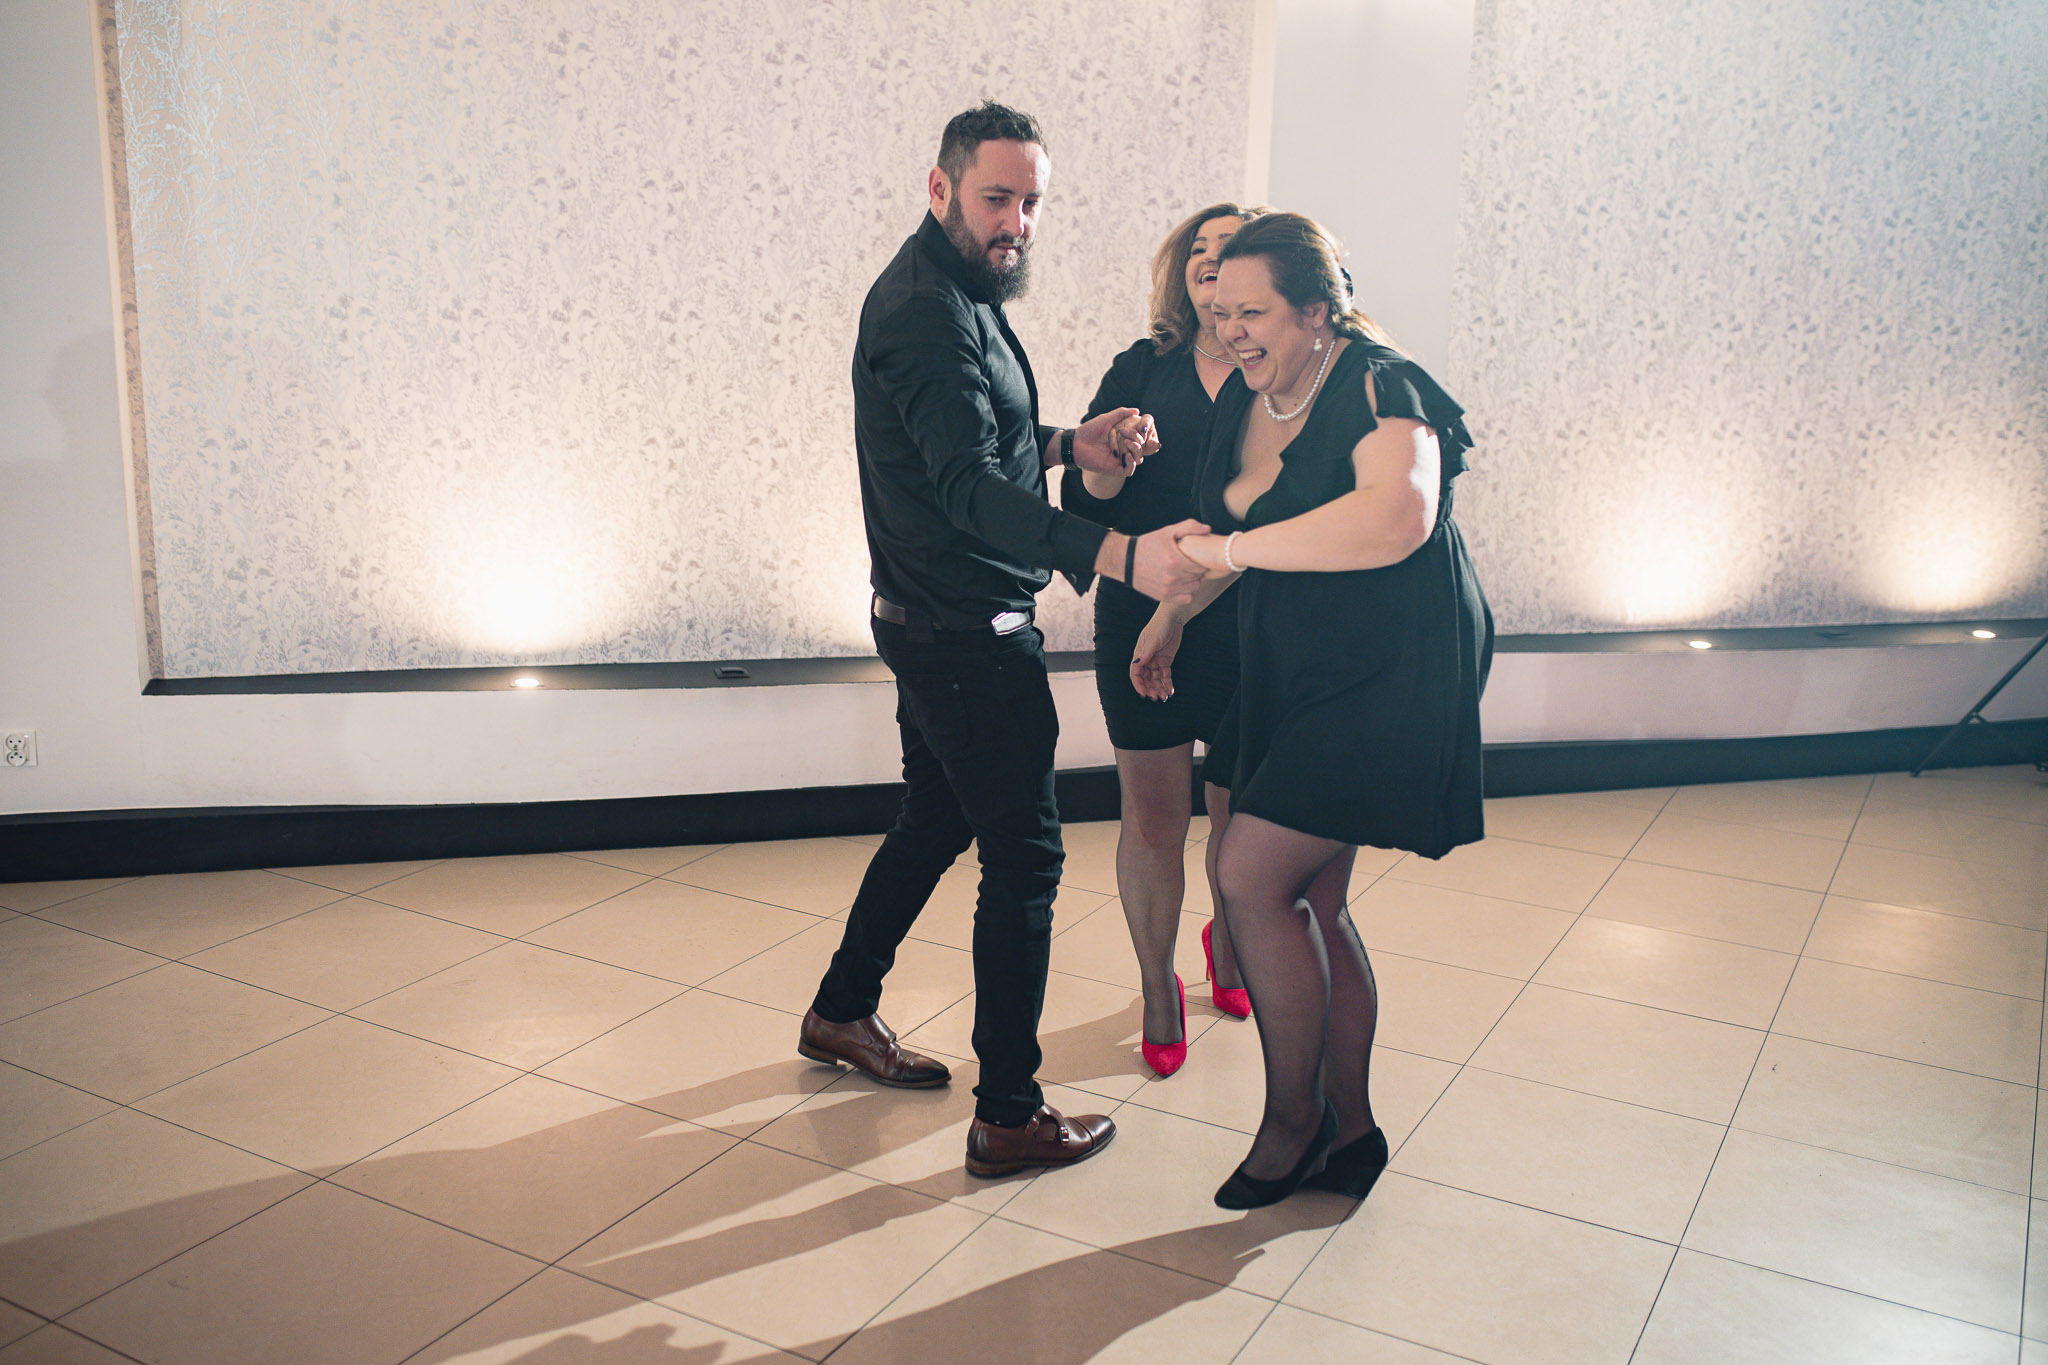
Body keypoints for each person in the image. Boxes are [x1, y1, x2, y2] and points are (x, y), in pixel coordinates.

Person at [796, 102, 1210, 1178]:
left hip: (932, 620)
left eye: (1030, 203)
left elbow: (980, 439)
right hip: (965, 637)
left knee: (935, 816)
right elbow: (967, 487)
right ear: (939, 188)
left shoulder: (957, 293)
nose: (1016, 222)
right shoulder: (924, 312)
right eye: (996, 198)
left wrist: (1072, 442)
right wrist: (1119, 552)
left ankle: (840, 1009)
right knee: (1024, 858)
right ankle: (1009, 1115)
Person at [1173, 212, 1492, 1209]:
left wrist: (1224, 555)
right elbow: (1240, 528)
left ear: (1316, 311)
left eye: (1253, 311)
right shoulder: (1250, 393)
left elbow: (1395, 519)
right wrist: (1171, 617)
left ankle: (1293, 1123)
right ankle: (1351, 1131)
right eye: (1219, 309)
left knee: (1249, 874)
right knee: (1311, 897)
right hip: (1298, 657)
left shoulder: (1381, 383)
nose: (1230, 328)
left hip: (1390, 662)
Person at [1061, 203, 1265, 1078]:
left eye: (1232, 248)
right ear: (1183, 273)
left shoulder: (1278, 369)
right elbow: (1086, 501)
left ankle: (1231, 939)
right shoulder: (1140, 368)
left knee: (1239, 812)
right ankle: (1157, 984)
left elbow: (1283, 516)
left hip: (1253, 617)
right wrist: (1112, 460)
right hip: (1136, 614)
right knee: (1153, 816)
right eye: (1200, 250)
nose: (1213, 261)